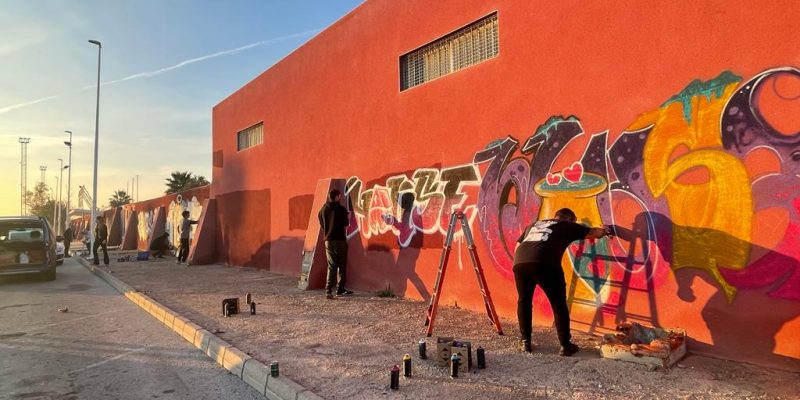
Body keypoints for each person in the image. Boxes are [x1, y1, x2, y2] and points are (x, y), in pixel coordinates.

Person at [513, 208, 608, 356]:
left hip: (520, 262)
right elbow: (594, 233)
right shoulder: (566, 225)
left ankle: (525, 341)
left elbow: (517, 246)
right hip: (545, 262)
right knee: (558, 304)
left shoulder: (534, 224)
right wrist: (605, 230)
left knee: (524, 301)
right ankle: (565, 345)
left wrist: (525, 261)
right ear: (570, 219)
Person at [318, 188, 353, 299]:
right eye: (339, 195)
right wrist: (348, 218)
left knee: (331, 265)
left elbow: (321, 222)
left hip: (328, 240)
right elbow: (346, 225)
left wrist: (327, 230)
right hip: (340, 240)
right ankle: (339, 289)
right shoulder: (341, 209)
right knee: (341, 265)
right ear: (337, 197)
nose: (340, 197)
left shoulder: (323, 209)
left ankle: (329, 290)